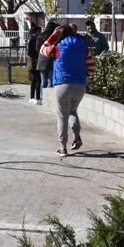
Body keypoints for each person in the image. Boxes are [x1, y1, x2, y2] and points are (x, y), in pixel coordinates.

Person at [49, 24, 89, 156]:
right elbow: (91, 66)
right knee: (72, 111)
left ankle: (62, 147)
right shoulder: (83, 46)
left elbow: (43, 50)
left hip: (62, 84)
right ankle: (77, 136)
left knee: (62, 116)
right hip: (80, 85)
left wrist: (54, 35)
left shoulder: (57, 47)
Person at [35, 20, 58, 91]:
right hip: (51, 60)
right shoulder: (53, 38)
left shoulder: (40, 36)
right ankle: (49, 98)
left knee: (43, 81)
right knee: (50, 81)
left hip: (41, 60)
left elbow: (37, 48)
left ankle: (42, 99)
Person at [26, 21, 42, 105]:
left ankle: (32, 97)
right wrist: (35, 58)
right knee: (38, 80)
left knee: (34, 81)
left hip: (33, 62)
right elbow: (29, 52)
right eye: (39, 31)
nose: (40, 33)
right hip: (33, 63)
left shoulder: (32, 38)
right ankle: (38, 98)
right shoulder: (32, 39)